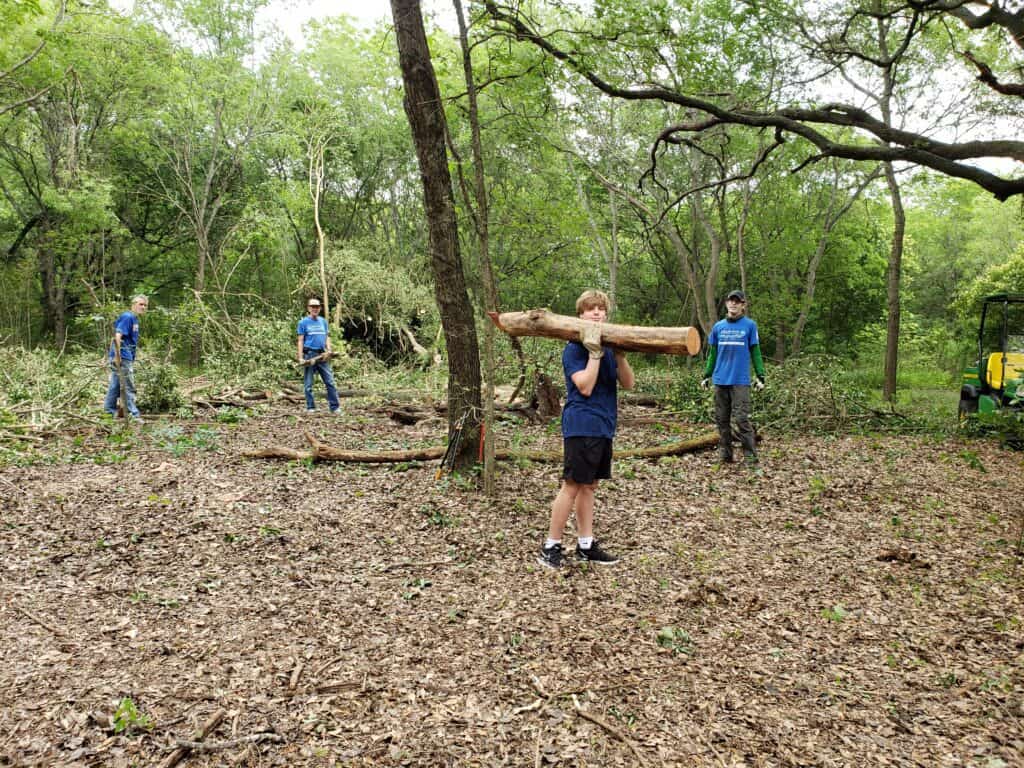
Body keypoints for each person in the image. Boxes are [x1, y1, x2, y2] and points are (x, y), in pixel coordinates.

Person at [537, 289, 635, 570]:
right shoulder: (574, 347)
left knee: (589, 486)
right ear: (580, 315)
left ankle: (585, 544)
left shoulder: (610, 346)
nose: (596, 313)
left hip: (604, 424)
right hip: (582, 423)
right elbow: (585, 386)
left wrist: (621, 357)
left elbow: (628, 384)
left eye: (600, 309)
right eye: (590, 309)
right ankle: (551, 546)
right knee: (572, 485)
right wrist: (594, 354)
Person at [701, 289, 765, 464]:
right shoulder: (718, 327)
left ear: (743, 305)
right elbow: (713, 354)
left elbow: (756, 352)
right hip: (720, 380)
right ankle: (726, 455)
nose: (734, 304)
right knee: (722, 420)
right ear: (727, 303)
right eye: (731, 301)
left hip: (740, 381)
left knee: (741, 419)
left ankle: (750, 457)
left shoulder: (750, 326)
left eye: (738, 301)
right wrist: (706, 375)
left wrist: (760, 376)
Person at [103, 294, 149, 422]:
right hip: (122, 356)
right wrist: (117, 356)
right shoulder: (128, 317)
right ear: (133, 304)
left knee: (116, 385)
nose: (143, 307)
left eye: (145, 305)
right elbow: (118, 335)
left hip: (126, 356)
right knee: (129, 386)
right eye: (141, 304)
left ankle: (108, 412)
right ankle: (133, 415)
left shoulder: (134, 319)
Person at [297, 297, 340, 414]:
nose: (315, 309)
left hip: (323, 355)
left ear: (320, 308)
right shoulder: (303, 322)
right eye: (313, 307)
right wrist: (300, 357)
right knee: (309, 384)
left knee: (330, 382)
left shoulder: (323, 322)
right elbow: (300, 340)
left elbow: (327, 337)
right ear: (308, 308)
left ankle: (335, 407)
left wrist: (329, 350)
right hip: (309, 355)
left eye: (317, 307)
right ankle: (311, 407)